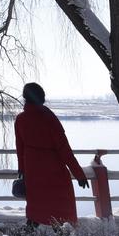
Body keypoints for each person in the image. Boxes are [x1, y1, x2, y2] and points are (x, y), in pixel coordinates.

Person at [14, 82, 89, 226]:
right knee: (60, 210)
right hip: (53, 171)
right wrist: (79, 174)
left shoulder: (21, 119)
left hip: (32, 171)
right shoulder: (49, 118)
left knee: (37, 208)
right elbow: (64, 149)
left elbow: (20, 148)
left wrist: (22, 171)